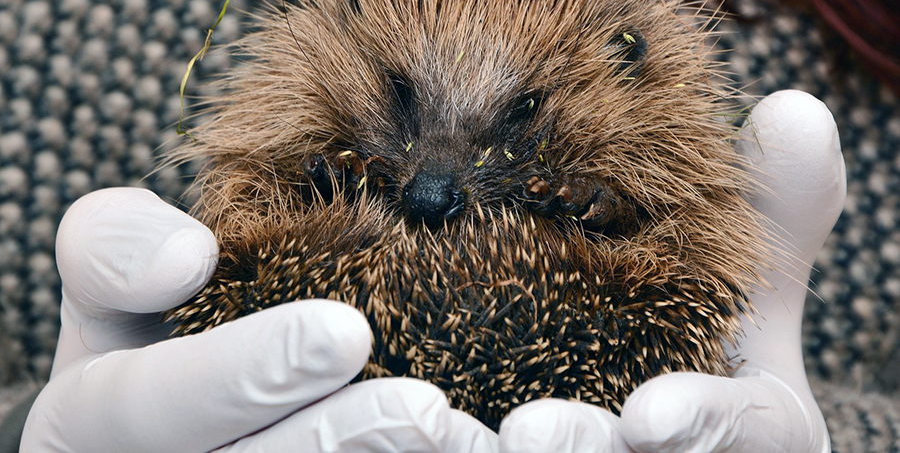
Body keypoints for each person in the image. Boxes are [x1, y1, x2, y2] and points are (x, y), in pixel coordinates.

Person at [19, 90, 845, 452]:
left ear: (625, 62)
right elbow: (245, 209)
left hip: (599, 337)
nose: (434, 183)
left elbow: (679, 251)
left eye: (521, 114)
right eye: (406, 104)